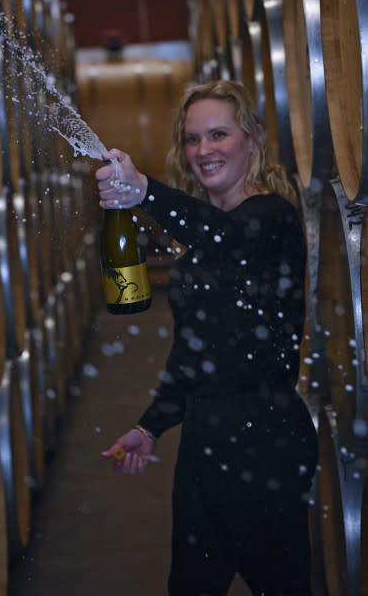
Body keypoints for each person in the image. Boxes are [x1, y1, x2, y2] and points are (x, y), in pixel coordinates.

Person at [95, 79, 318, 596]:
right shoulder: (202, 237)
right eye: (193, 139)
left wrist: (145, 191)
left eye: (218, 134)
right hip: (205, 445)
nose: (204, 151)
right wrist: (151, 426)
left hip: (267, 444)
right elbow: (196, 348)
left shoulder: (271, 218)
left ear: (252, 138)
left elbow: (229, 238)